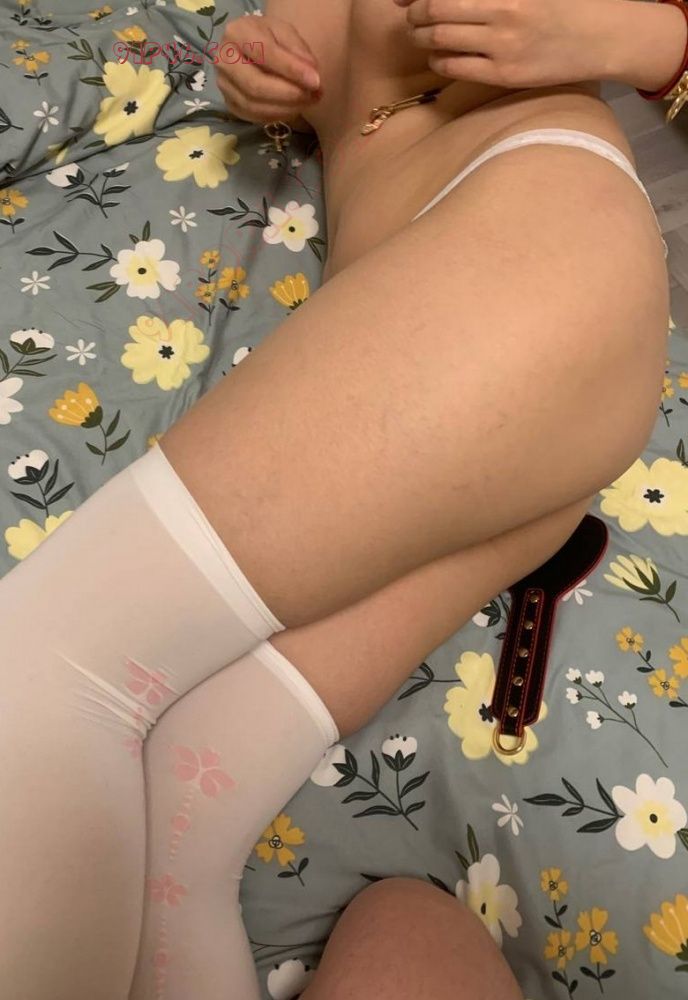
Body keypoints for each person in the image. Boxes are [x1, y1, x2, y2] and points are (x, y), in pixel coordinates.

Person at [0, 1, 684, 999]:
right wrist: (257, 66)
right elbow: (322, 59)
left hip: (524, 253)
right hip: (505, 367)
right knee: (188, 796)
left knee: (52, 659)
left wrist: (644, 39)